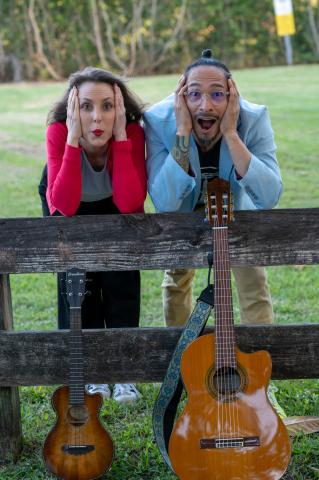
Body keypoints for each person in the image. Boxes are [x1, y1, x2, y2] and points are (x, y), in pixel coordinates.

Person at [143, 49, 282, 331]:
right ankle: (181, 362)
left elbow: (269, 197)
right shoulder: (158, 121)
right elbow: (167, 203)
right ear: (181, 98)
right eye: (194, 94)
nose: (205, 105)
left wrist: (231, 134)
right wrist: (182, 131)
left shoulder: (253, 119)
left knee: (251, 274)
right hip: (184, 204)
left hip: (234, 201)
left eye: (217, 94)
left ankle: (259, 366)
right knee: (177, 277)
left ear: (232, 97)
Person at [43, 67, 147, 403]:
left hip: (117, 203)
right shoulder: (59, 133)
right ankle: (88, 375)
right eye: (86, 106)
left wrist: (120, 138)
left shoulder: (130, 132)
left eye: (107, 106)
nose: (96, 117)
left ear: (119, 107)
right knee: (77, 285)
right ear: (73, 109)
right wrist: (73, 138)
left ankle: (123, 373)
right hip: (67, 199)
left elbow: (131, 202)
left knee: (121, 284)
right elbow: (65, 205)